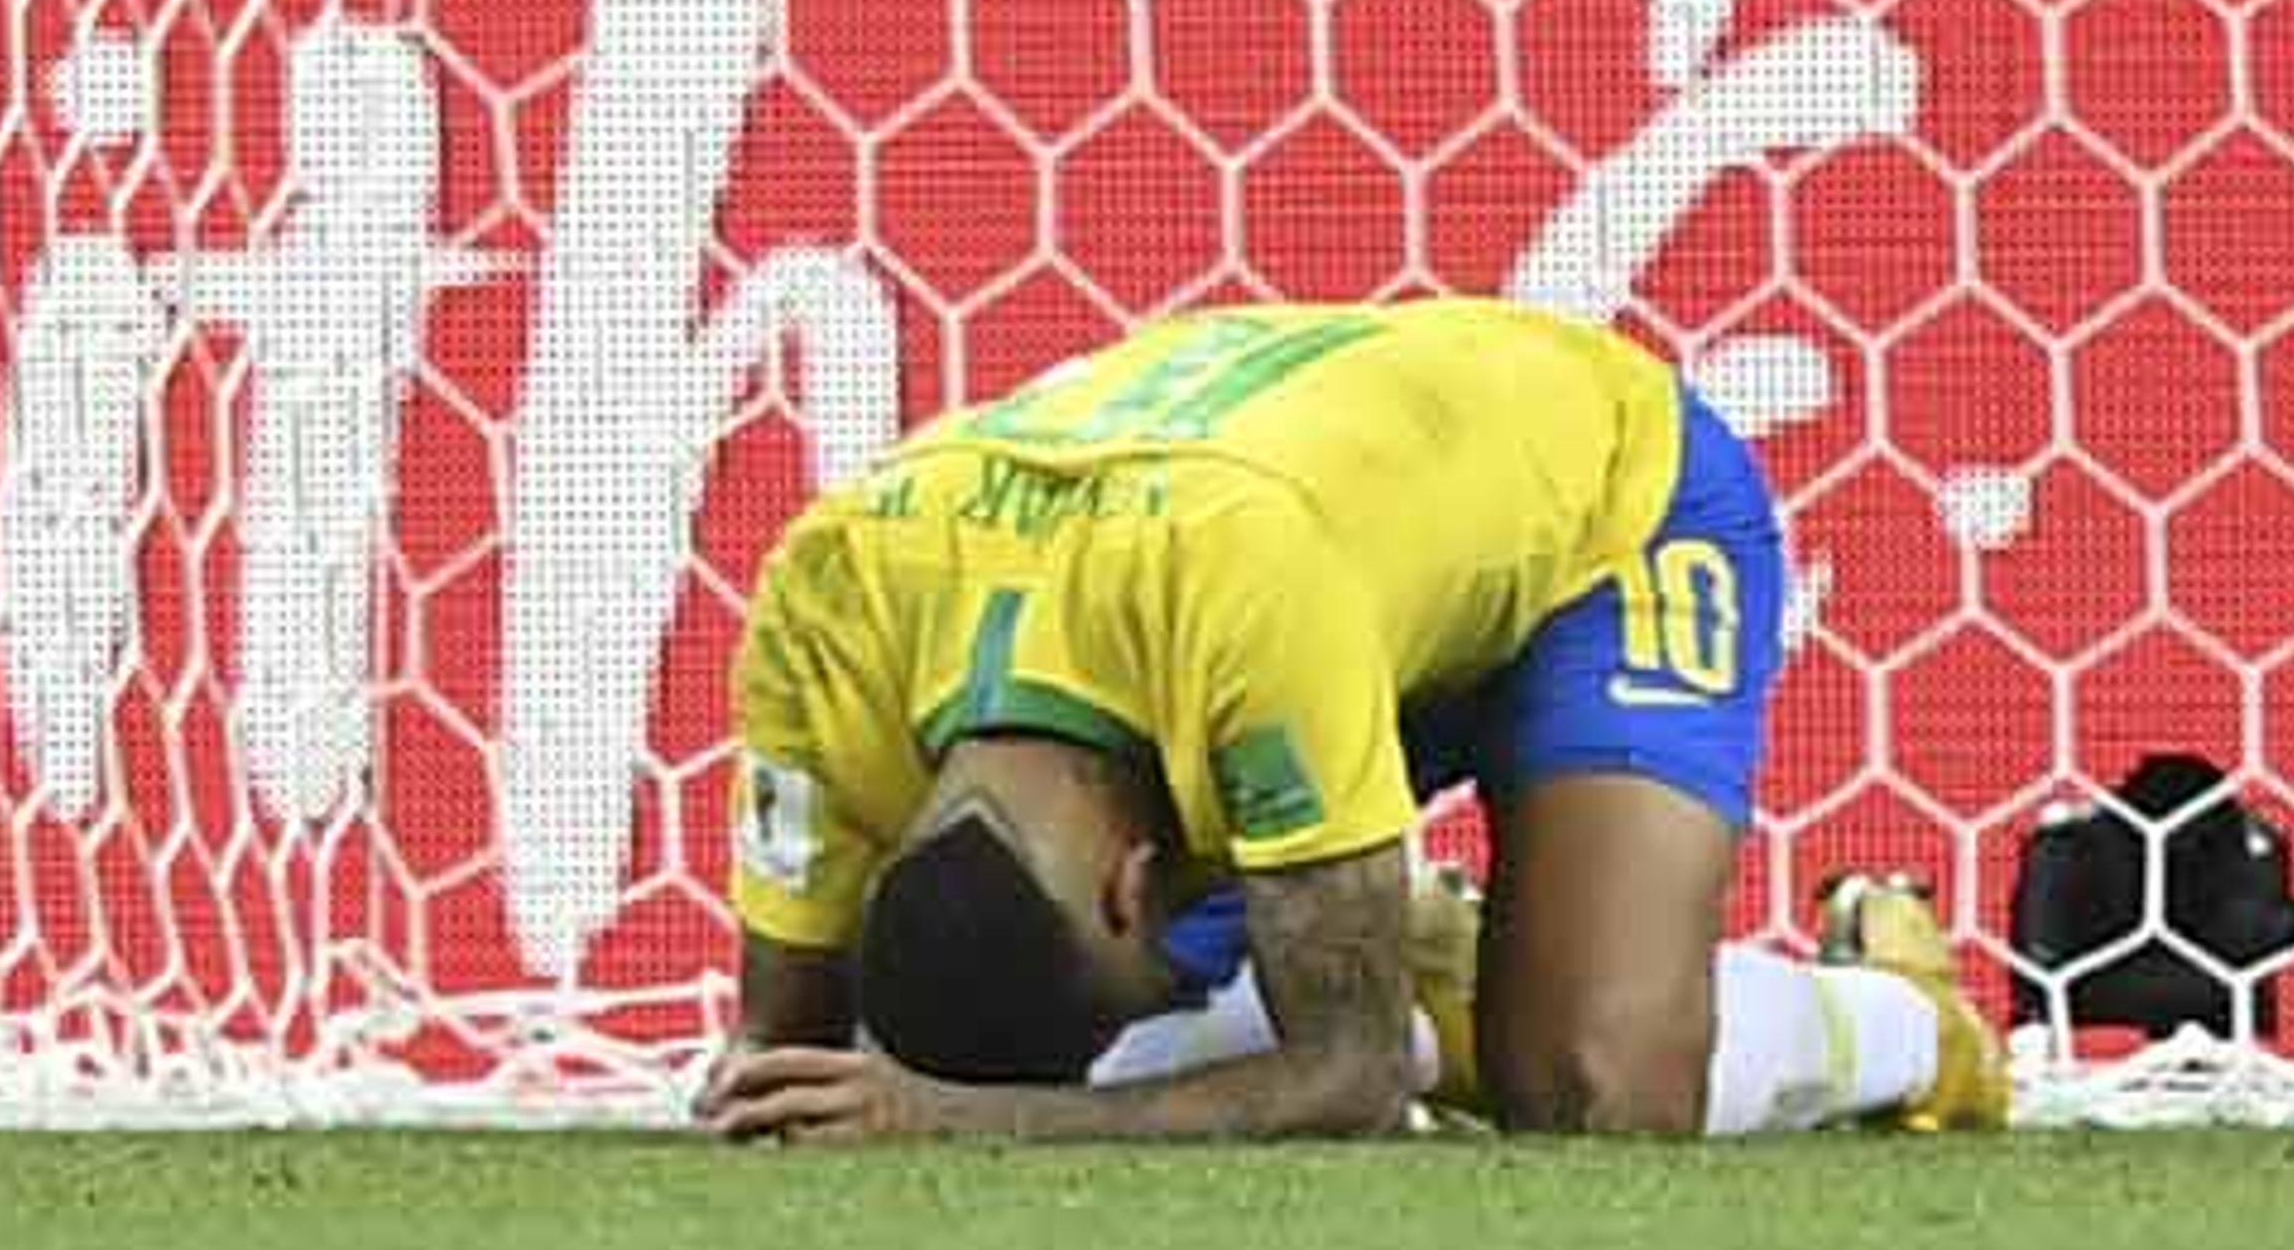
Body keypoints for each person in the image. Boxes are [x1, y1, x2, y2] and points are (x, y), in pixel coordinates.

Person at [705, 298, 2005, 1142]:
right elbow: (783, 1045)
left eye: (1147, 949)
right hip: (1321, 588)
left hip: (1600, 513)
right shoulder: (828, 608)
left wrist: (959, 1124)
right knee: (1094, 1065)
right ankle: (1403, 933)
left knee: (1599, 1089)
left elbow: (1354, 1072)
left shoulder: (1236, 586)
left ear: (1133, 884)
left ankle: (1902, 1020)